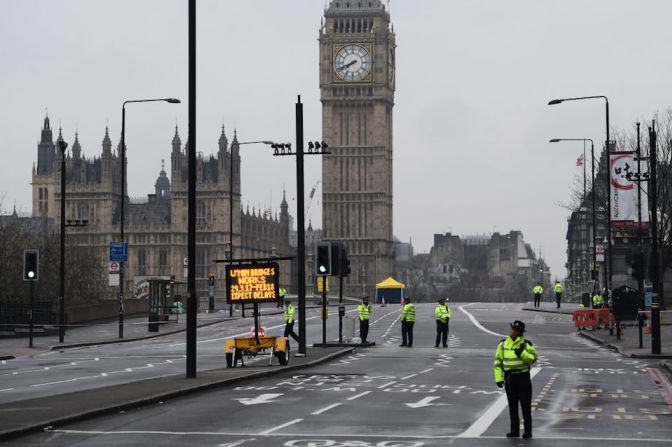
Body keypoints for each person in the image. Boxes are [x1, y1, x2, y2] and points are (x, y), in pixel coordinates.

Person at [493, 320, 538, 439]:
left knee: (525, 406)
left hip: (523, 377)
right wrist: (498, 378)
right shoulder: (502, 344)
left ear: (520, 333)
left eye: (515, 330)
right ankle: (514, 430)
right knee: (512, 406)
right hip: (509, 378)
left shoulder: (526, 344)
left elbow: (533, 359)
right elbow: (498, 362)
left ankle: (527, 431)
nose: (512, 331)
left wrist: (522, 354)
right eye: (512, 329)